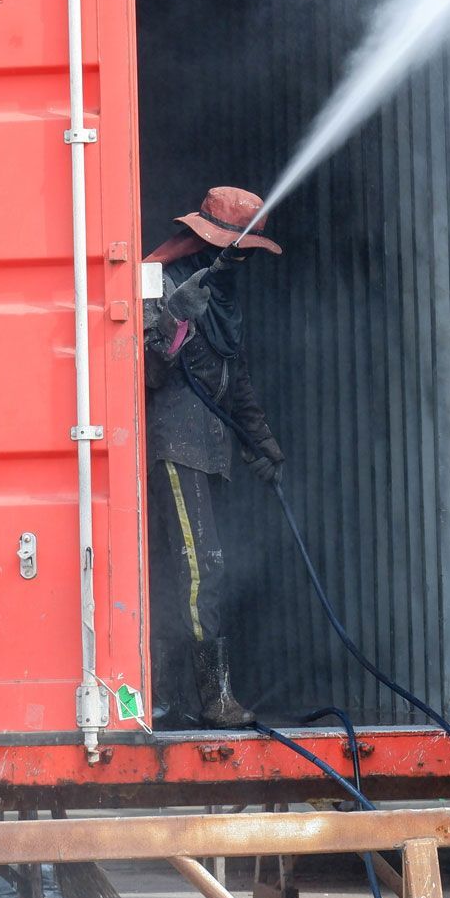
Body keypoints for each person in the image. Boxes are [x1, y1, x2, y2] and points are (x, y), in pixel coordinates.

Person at [142, 186, 285, 728]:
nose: (240, 262)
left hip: (208, 447)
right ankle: (211, 698)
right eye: (236, 250)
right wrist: (174, 318)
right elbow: (147, 371)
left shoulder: (223, 302)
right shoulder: (164, 282)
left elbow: (235, 377)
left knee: (194, 568)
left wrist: (262, 442)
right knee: (203, 567)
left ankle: (180, 696)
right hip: (175, 445)